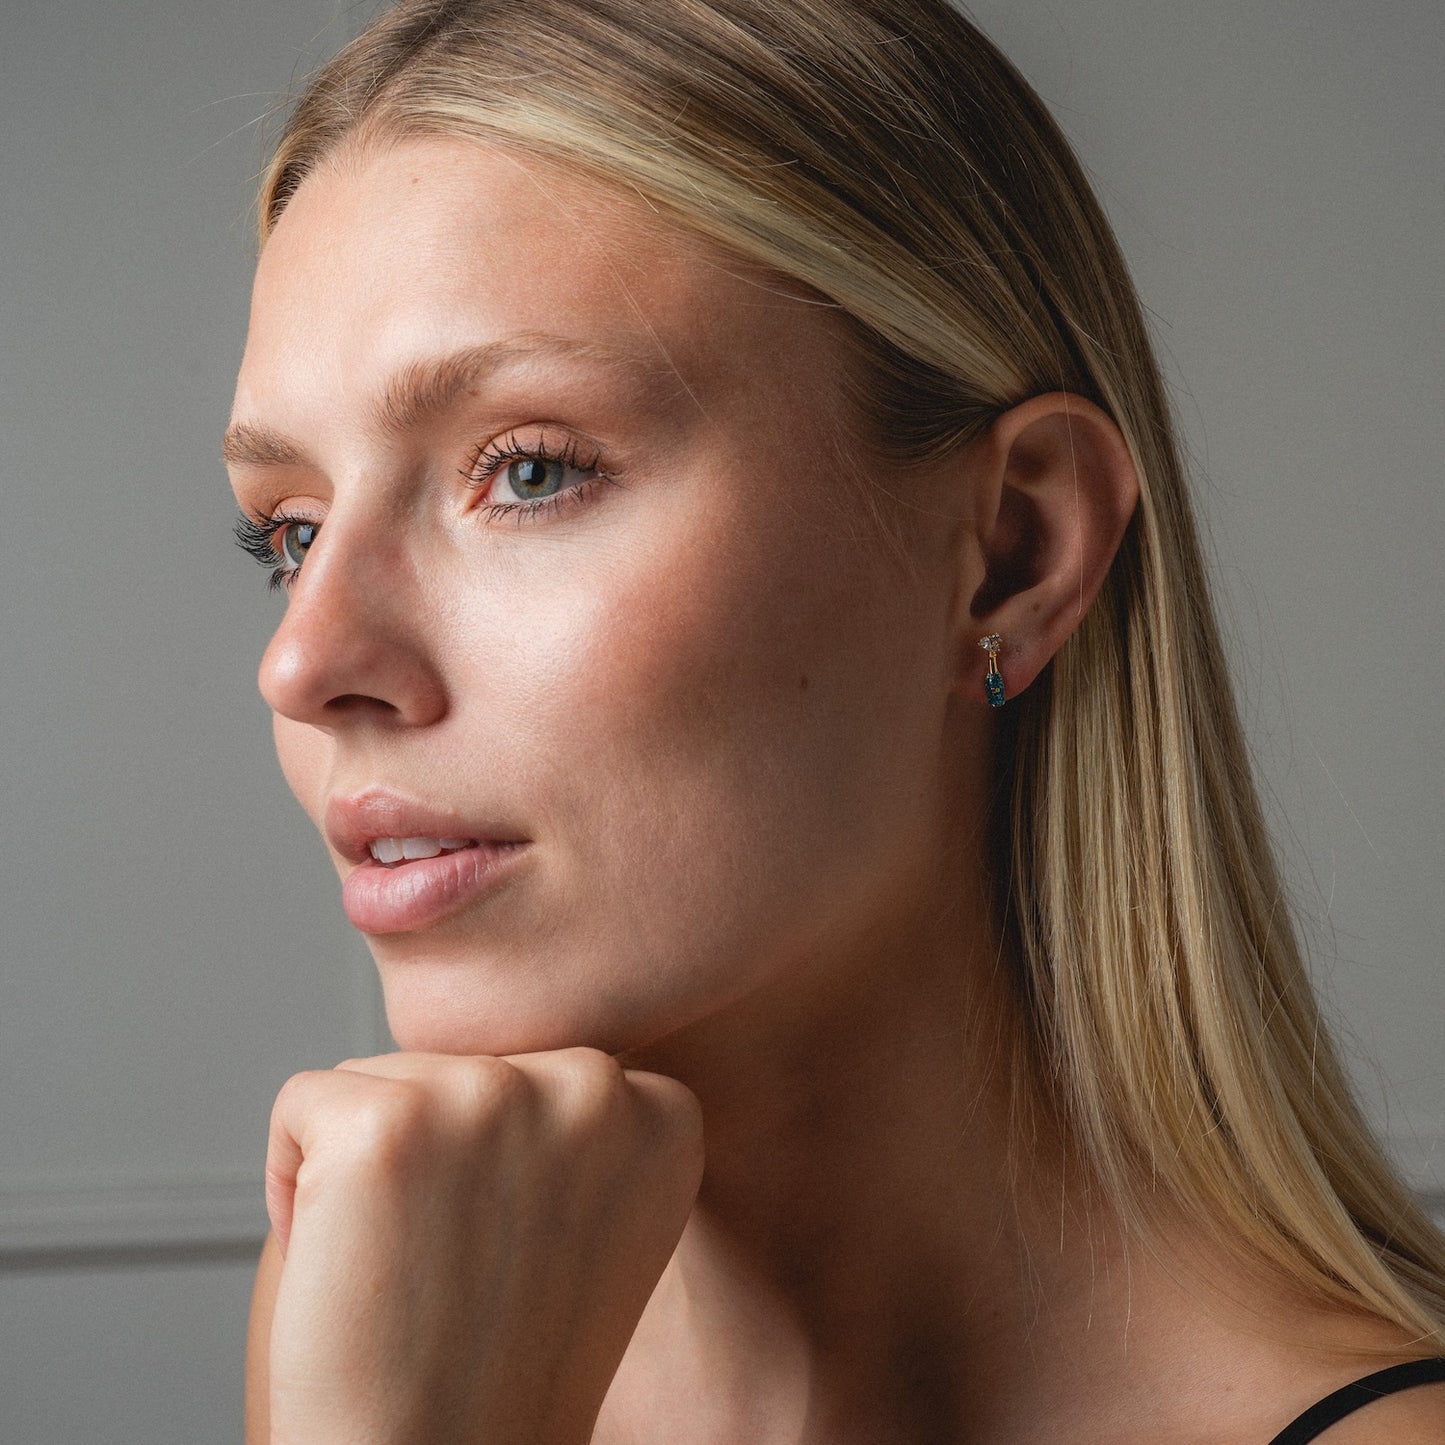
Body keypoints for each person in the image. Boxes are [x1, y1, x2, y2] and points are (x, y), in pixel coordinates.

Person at [224, 0, 1445, 1439]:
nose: (305, 660)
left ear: (1009, 551)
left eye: (532, 471)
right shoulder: (385, 1311)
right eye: (288, 531)